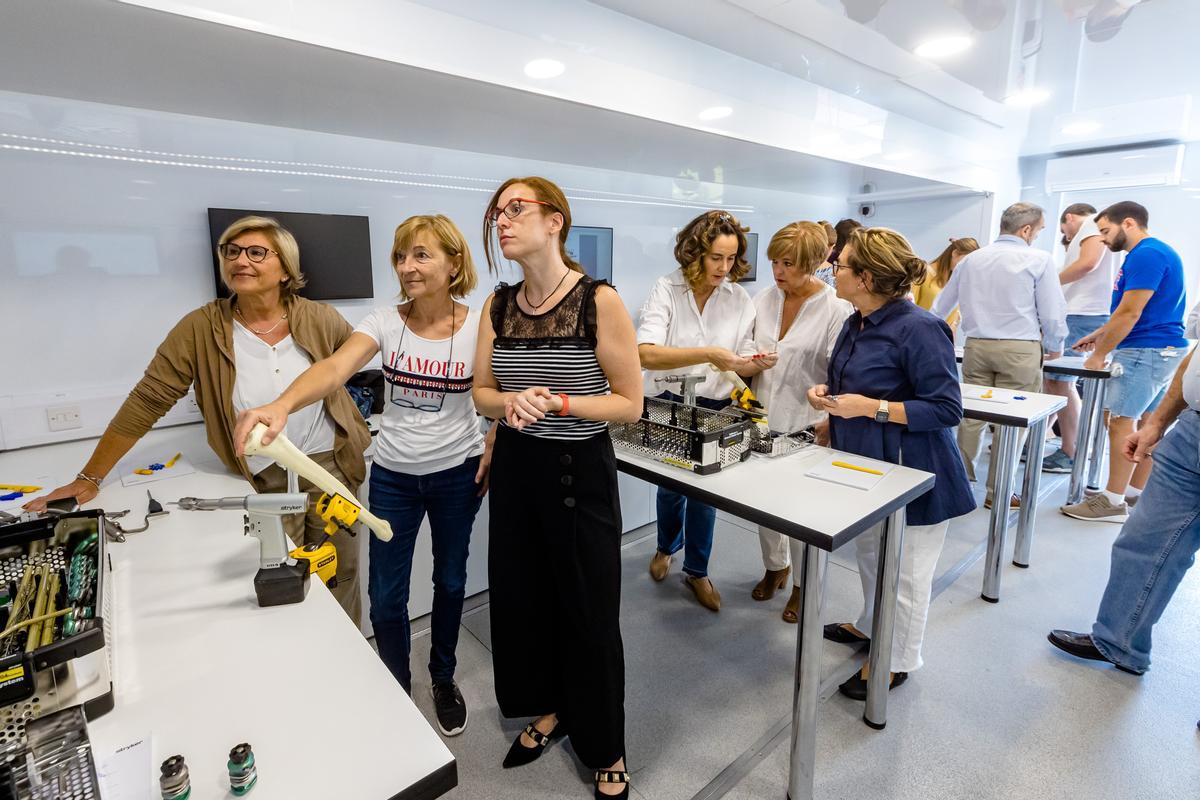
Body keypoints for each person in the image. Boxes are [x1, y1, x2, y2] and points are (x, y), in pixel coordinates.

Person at [24, 216, 369, 623]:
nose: (241, 260)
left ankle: (349, 664)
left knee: (340, 574)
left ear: (286, 269)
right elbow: (147, 400)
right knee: (279, 577)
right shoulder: (201, 327)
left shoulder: (321, 318)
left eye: (256, 252)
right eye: (231, 252)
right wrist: (90, 477)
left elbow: (350, 366)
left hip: (330, 466)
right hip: (262, 476)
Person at [232, 215, 488, 736]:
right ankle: (394, 682)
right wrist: (281, 404)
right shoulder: (384, 322)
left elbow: (503, 384)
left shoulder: (482, 322)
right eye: (400, 255)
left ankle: (442, 677)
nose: (407, 266)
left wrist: (495, 441)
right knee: (387, 596)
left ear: (454, 262)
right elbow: (334, 369)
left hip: (457, 475)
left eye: (421, 254)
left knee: (452, 580)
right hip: (393, 476)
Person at [472, 176, 642, 799]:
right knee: (525, 602)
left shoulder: (600, 301)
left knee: (590, 611)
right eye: (497, 213)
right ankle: (553, 707)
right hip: (518, 470)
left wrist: (564, 403)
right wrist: (509, 404)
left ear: (555, 221)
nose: (502, 222)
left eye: (516, 210)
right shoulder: (499, 305)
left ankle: (605, 741)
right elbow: (482, 393)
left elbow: (629, 403)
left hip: (579, 473)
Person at [808, 227, 975, 699]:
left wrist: (871, 408)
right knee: (871, 555)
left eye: (838, 265)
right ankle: (868, 625)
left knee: (905, 573)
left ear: (865, 277)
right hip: (863, 463)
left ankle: (896, 660)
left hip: (915, 471)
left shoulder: (921, 328)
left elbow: (946, 409)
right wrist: (828, 402)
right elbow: (850, 382)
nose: (832, 271)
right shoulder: (855, 319)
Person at [1047, 345, 1199, 674]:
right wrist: (1157, 422)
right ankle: (1119, 642)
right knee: (1142, 540)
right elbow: (1195, 358)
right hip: (1193, 431)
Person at [637, 210, 760, 612]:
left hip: (716, 403)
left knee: (706, 492)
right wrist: (707, 353)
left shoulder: (739, 298)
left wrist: (755, 362)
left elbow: (739, 360)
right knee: (671, 486)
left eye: (730, 258)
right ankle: (665, 547)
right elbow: (647, 354)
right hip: (670, 402)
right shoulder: (666, 289)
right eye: (715, 258)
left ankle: (697, 571)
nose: (724, 268)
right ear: (694, 253)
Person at [743, 222, 852, 623]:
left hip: (809, 422)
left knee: (802, 511)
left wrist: (829, 419)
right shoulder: (762, 300)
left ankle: (806, 583)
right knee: (762, 503)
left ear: (812, 262)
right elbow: (743, 347)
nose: (778, 270)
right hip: (761, 415)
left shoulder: (835, 309)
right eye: (774, 261)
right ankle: (776, 567)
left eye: (788, 263)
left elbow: (839, 373)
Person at [932, 202, 1068, 509]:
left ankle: (959, 481)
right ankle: (1000, 491)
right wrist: (1055, 343)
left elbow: (941, 306)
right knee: (1013, 422)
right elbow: (1051, 311)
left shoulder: (972, 260)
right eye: (1039, 230)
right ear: (1026, 229)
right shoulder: (1039, 260)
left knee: (970, 417)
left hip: (977, 347)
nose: (1038, 236)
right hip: (1020, 350)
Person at [1061, 201, 1191, 522]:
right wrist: (1101, 332)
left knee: (1120, 421)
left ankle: (1111, 501)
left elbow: (1131, 312)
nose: (1103, 240)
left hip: (1145, 351)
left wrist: (1100, 354)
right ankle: (1132, 493)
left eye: (1105, 231)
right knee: (1148, 424)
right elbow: (1133, 310)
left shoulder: (1147, 254)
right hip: (1161, 349)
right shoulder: (1152, 253)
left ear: (1129, 223)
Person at [1041, 203, 1121, 474]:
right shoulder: (1092, 230)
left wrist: (1047, 282)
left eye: (1063, 229)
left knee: (1061, 382)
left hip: (1082, 313)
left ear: (1070, 218)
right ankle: (1046, 439)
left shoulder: (1090, 226)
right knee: (1054, 382)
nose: (1065, 234)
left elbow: (1088, 263)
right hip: (1081, 313)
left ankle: (1071, 451)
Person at [911, 237, 979, 331]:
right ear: (955, 253)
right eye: (966, 261)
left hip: (942, 341)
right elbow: (908, 310)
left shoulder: (955, 282)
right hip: (919, 335)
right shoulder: (922, 273)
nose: (967, 267)